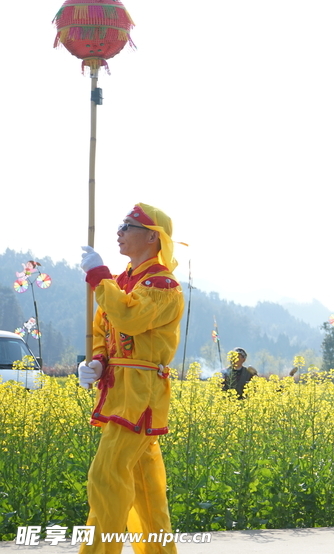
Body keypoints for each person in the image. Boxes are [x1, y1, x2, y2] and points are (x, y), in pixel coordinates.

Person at [77, 203, 184, 553]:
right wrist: (96, 361)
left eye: (128, 226)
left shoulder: (162, 284)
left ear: (153, 237)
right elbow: (102, 330)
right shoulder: (123, 281)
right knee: (145, 488)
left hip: (139, 395)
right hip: (119, 390)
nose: (119, 232)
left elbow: (129, 319)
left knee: (106, 476)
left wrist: (98, 277)